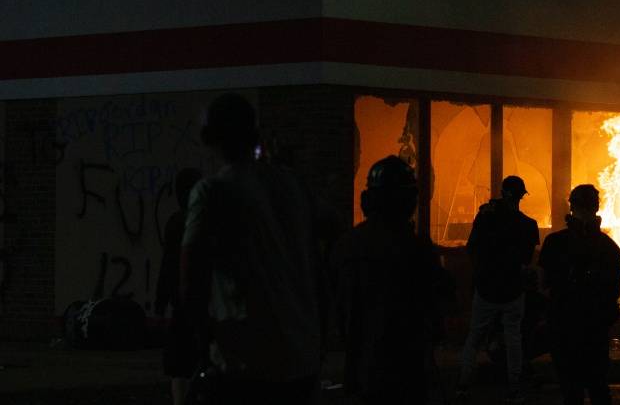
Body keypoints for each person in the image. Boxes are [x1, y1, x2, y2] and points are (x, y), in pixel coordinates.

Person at [180, 93, 324, 405]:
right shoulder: (292, 185)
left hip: (246, 357)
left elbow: (192, 276)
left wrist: (199, 344)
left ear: (208, 137)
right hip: (302, 355)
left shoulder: (212, 191)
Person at [331, 155, 451, 405]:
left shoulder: (347, 246)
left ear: (368, 201)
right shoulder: (417, 249)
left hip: (362, 370)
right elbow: (439, 310)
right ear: (409, 202)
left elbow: (336, 308)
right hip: (409, 372)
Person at [457, 175, 539, 404]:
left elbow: (472, 248)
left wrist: (482, 272)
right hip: (512, 290)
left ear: (503, 192)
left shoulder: (485, 217)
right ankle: (514, 389)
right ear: (522, 196)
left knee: (474, 336)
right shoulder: (527, 225)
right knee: (514, 338)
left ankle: (463, 385)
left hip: (486, 288)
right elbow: (526, 260)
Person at [537, 184, 620, 405]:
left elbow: (542, 284)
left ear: (571, 206)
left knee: (570, 389)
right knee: (598, 386)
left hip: (564, 326)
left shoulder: (555, 243)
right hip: (595, 328)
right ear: (596, 207)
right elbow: (616, 290)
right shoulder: (609, 246)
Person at [155, 167, 202, 405]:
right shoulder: (205, 220)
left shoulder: (175, 223)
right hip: (204, 302)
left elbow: (168, 266)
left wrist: (160, 304)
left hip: (182, 303)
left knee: (179, 367)